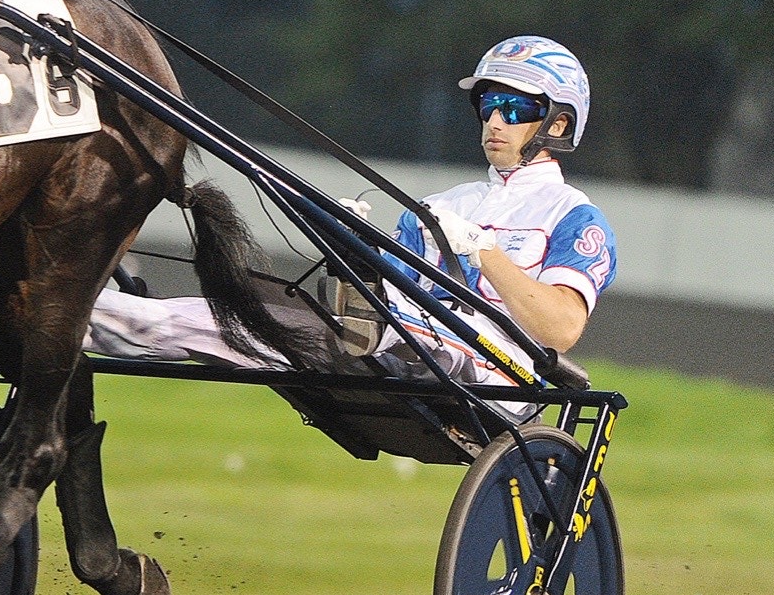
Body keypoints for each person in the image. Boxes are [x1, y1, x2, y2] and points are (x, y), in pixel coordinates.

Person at [84, 35, 617, 390]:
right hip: (397, 351)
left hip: (499, 374)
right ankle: (77, 313)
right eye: (488, 105)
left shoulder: (574, 216)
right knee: (217, 319)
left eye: (517, 108)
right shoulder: (442, 206)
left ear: (558, 124)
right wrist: (353, 244)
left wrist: (486, 252)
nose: (496, 121)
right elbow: (401, 286)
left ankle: (368, 323)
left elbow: (560, 330)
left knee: (395, 322)